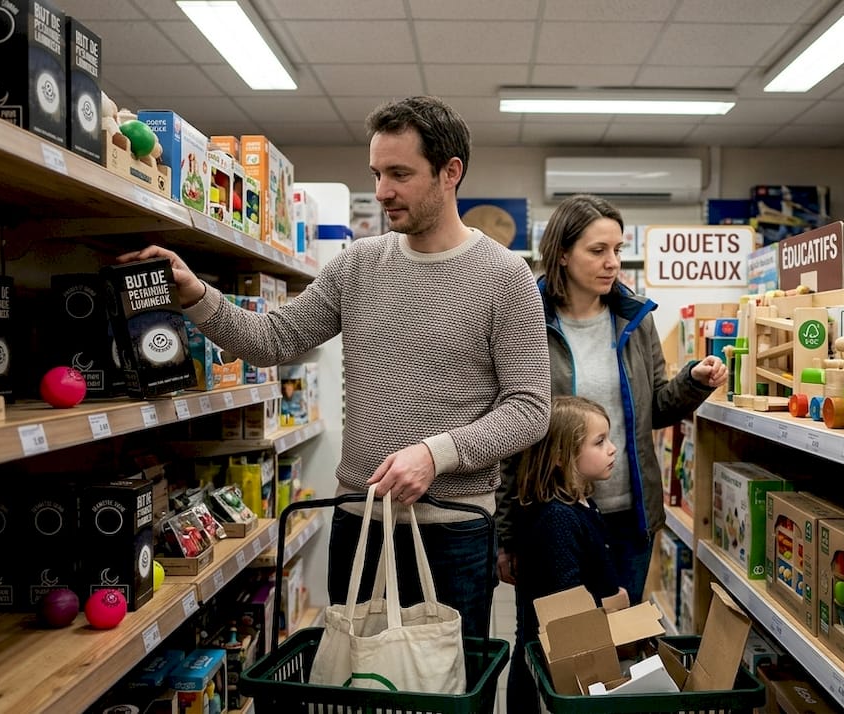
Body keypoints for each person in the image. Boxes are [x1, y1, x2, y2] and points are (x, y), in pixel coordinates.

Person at [119, 96, 551, 641]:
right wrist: (196, 295)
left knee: (446, 687)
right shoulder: (357, 265)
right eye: (376, 173)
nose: (382, 191)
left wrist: (435, 454)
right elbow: (272, 340)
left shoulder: (504, 276)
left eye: (400, 174)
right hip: (358, 522)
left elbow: (532, 409)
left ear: (451, 173)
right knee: (354, 684)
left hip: (453, 531)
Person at [497, 194, 727, 606]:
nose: (612, 263)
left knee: (622, 639)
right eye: (597, 250)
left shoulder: (635, 320)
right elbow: (513, 429)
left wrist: (692, 382)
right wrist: (507, 534)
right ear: (563, 254)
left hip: (627, 514)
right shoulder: (528, 320)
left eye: (618, 250)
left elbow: (654, 409)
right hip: (554, 516)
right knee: (550, 643)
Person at [505, 396, 625, 714]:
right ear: (561, 456)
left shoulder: (582, 502)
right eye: (599, 442)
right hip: (566, 652)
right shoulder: (557, 517)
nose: (612, 449)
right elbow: (566, 595)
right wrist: (607, 608)